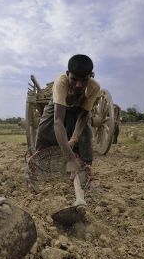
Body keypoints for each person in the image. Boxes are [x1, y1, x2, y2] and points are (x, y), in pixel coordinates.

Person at [33, 54, 100, 182]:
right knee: (46, 126)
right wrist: (70, 158)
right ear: (68, 73)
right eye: (74, 79)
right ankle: (41, 163)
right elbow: (58, 120)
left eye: (84, 80)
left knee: (86, 132)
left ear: (90, 76)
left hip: (79, 109)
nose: (79, 85)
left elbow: (84, 115)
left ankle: (85, 169)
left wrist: (74, 139)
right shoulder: (61, 82)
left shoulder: (94, 87)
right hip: (58, 107)